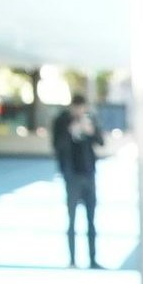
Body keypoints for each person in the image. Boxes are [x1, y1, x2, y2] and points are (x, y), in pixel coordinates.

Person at [51, 95, 106, 267]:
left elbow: (101, 141)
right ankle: (72, 259)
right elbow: (57, 146)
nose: (80, 111)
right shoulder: (61, 121)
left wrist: (90, 131)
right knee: (72, 219)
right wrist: (70, 131)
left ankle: (92, 258)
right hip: (72, 175)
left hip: (89, 174)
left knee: (91, 219)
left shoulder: (90, 119)